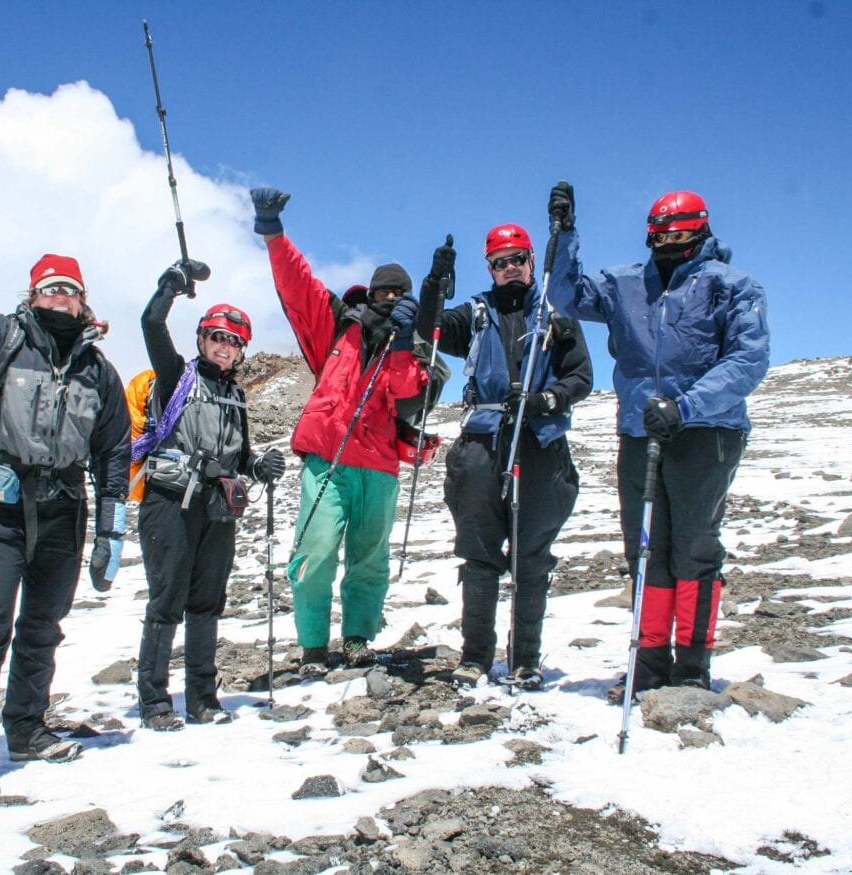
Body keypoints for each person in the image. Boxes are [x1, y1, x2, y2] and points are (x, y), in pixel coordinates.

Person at [0, 128, 132, 801]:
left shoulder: (99, 369)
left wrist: (111, 535)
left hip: (65, 510)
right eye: (49, 287)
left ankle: (28, 728)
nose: (60, 297)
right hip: (0, 505)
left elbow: (116, 453)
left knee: (43, 625)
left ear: (85, 301)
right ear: (32, 294)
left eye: (70, 289)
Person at [547, 183, 770, 701]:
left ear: (700, 230)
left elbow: (748, 359)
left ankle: (692, 665)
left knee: (694, 548)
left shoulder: (733, 286)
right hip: (640, 432)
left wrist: (687, 405)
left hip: (705, 431)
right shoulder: (626, 283)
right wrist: (563, 235)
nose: (666, 242)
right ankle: (649, 662)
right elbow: (565, 296)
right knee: (646, 551)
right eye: (658, 234)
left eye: (676, 233)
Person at [249, 187, 427, 676]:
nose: (390, 300)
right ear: (369, 293)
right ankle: (311, 646)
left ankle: (356, 641)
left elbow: (410, 396)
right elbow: (298, 286)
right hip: (328, 460)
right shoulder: (335, 324)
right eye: (383, 292)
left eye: (400, 295)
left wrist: (404, 344)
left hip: (380, 468)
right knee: (316, 547)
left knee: (369, 560)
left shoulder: (412, 345)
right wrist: (273, 231)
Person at [415, 226, 592, 690]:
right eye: (499, 261)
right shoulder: (474, 313)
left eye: (517, 259)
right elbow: (427, 328)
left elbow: (580, 376)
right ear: (489, 267)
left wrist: (547, 400)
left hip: (540, 443)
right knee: (479, 554)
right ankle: (475, 657)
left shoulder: (555, 314)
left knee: (532, 557)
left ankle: (525, 660)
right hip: (482, 444)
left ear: (532, 261)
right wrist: (434, 283)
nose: (509, 267)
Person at [134, 262, 286, 730]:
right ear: (202, 340)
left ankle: (202, 698)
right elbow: (151, 324)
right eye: (217, 337)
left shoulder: (236, 396)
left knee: (206, 601)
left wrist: (258, 467)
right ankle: (155, 703)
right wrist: (171, 287)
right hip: (169, 502)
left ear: (241, 350)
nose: (225, 346)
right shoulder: (174, 375)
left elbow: (239, 458)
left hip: (217, 509)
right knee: (167, 599)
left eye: (234, 341)